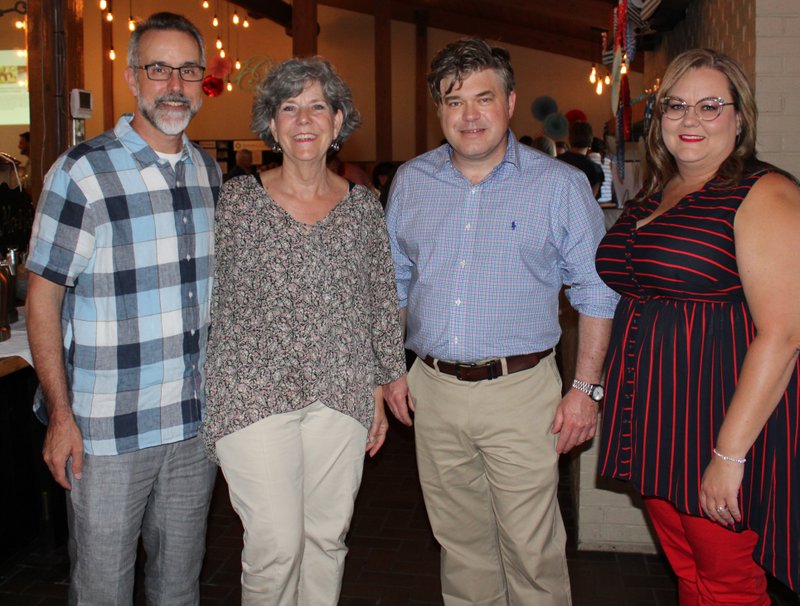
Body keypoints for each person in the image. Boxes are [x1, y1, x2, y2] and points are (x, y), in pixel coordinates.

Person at [384, 38, 619, 605]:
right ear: (438, 110)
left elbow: (596, 289)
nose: (469, 115)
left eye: (483, 98)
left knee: (532, 552)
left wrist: (585, 390)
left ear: (509, 103)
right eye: (453, 100)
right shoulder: (412, 182)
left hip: (521, 392)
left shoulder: (558, 186)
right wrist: (391, 368)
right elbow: (392, 282)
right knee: (461, 548)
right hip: (432, 390)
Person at [25, 12, 220, 604]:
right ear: (134, 77)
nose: (174, 85)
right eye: (159, 69)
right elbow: (42, 299)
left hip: (193, 428)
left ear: (203, 81)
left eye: (188, 70)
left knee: (178, 588)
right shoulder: (83, 172)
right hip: (107, 431)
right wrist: (60, 416)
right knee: (102, 589)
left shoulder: (208, 172)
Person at [596, 48, 800, 603]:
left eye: (710, 106)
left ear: (740, 117)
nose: (690, 120)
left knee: (730, 584)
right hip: (656, 424)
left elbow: (783, 334)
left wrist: (728, 457)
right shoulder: (658, 193)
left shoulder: (764, 194)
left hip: (718, 424)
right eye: (676, 106)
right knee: (692, 576)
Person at [201, 56, 406, 605]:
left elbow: (380, 302)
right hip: (251, 395)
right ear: (272, 125)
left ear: (338, 122)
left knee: (326, 538)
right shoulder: (236, 202)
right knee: (276, 545)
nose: (304, 119)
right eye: (289, 108)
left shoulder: (364, 208)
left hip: (340, 394)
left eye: (318, 106)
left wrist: (380, 390)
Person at [558, 121, 604, 199]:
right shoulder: (595, 169)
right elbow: (592, 201)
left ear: (570, 138)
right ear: (590, 140)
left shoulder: (556, 162)